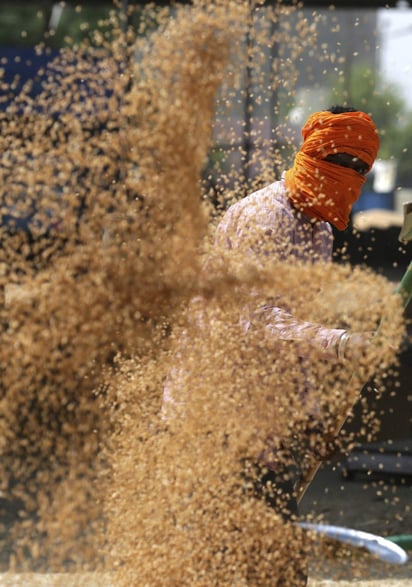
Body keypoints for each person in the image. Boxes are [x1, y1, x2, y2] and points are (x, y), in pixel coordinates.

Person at [163, 105, 382, 585]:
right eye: (339, 161)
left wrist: (311, 416)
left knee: (277, 563)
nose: (349, 176)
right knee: (221, 558)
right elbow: (259, 323)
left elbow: (292, 339)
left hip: (265, 416)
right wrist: (342, 344)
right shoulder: (268, 216)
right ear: (309, 154)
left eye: (360, 168)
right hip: (211, 412)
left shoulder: (319, 229)